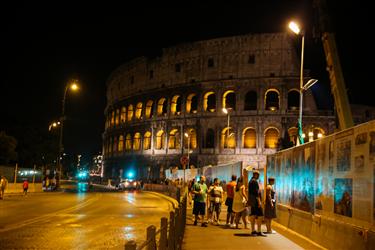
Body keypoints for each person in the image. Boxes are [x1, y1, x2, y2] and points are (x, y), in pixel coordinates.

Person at [248, 170, 266, 236]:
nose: (259, 176)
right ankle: (259, 231)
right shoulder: (255, 182)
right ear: (255, 175)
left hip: (252, 201)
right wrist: (259, 202)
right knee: (260, 215)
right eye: (258, 175)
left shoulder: (250, 181)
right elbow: (256, 193)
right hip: (256, 201)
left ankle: (253, 230)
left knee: (253, 215)